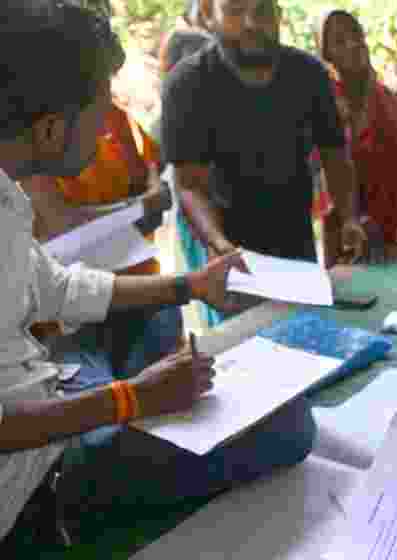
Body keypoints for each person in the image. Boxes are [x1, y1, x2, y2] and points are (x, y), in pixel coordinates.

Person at [0, 1, 316, 545]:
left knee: (140, 332)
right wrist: (130, 399)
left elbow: (53, 286)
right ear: (51, 129)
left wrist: (187, 285)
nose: (107, 127)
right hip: (32, 475)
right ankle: (80, 501)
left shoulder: (6, 192)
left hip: (46, 392)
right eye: (100, 110)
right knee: (291, 425)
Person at [163, 0, 367, 280]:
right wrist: (221, 246)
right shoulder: (186, 85)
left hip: (297, 247)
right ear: (209, 14)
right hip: (228, 255)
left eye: (262, 11)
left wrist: (349, 217)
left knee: (301, 320)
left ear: (278, 15)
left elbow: (335, 156)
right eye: (235, 10)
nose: (251, 23)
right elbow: (188, 185)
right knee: (248, 324)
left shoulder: (309, 74)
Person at [23, 100, 184, 382]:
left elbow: (153, 187)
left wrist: (144, 204)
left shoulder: (118, 117)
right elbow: (59, 222)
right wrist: (138, 207)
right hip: (69, 319)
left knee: (168, 393)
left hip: (139, 289)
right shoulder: (32, 136)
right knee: (103, 405)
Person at [313, 8, 397, 259]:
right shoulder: (324, 106)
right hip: (345, 238)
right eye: (340, 41)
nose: (353, 44)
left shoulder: (388, 100)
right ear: (326, 54)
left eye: (356, 35)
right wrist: (354, 218)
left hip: (388, 229)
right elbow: (324, 178)